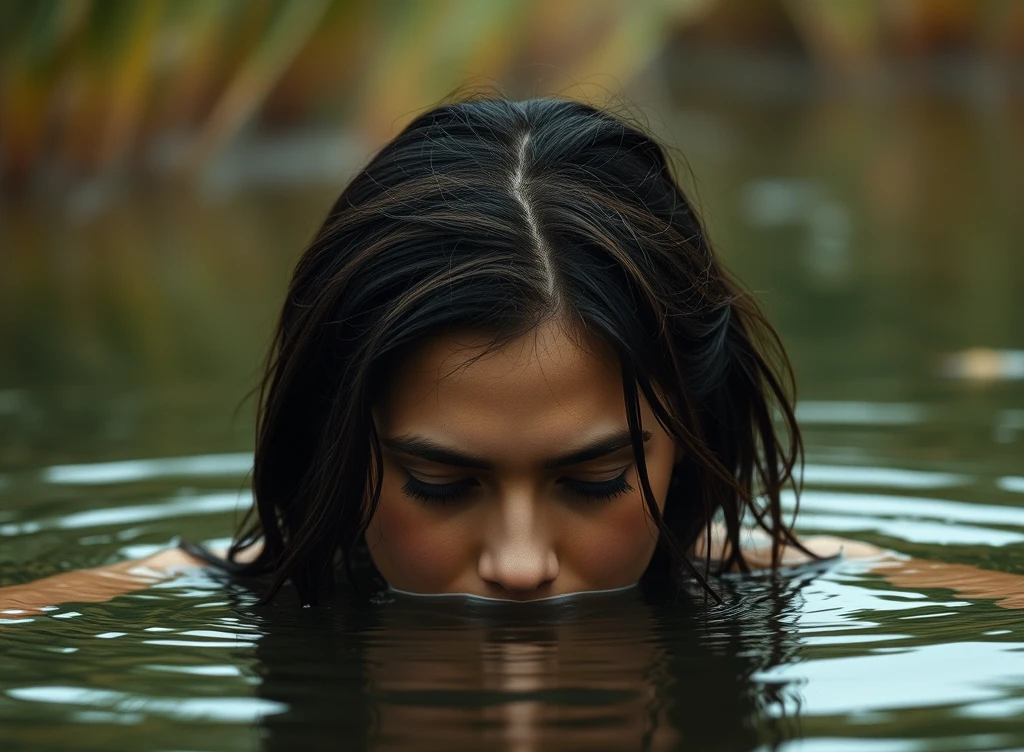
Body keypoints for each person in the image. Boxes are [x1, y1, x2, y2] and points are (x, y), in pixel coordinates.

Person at [1, 95, 1021, 616]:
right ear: (336, 445)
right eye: (440, 484)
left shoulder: (807, 584)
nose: (520, 564)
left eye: (596, 481)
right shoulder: (135, 603)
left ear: (687, 446)